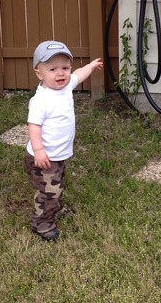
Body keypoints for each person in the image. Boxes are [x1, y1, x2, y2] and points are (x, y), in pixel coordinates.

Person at [25, 40, 104, 241]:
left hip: (58, 154)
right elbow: (34, 126)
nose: (61, 73)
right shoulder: (41, 100)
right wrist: (39, 150)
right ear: (39, 74)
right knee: (49, 191)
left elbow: (79, 74)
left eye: (65, 68)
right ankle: (42, 224)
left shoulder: (66, 86)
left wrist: (90, 66)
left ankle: (56, 208)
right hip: (43, 157)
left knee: (56, 183)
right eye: (53, 69)